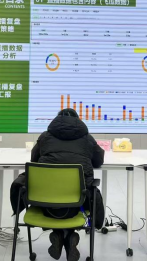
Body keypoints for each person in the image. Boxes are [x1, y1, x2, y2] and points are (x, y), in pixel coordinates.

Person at [31, 108, 105, 261]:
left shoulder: (44, 137)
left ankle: (60, 234)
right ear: (78, 121)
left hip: (45, 201)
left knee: (57, 197)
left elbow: (34, 160)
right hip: (78, 202)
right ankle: (68, 235)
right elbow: (98, 161)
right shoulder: (87, 139)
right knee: (75, 196)